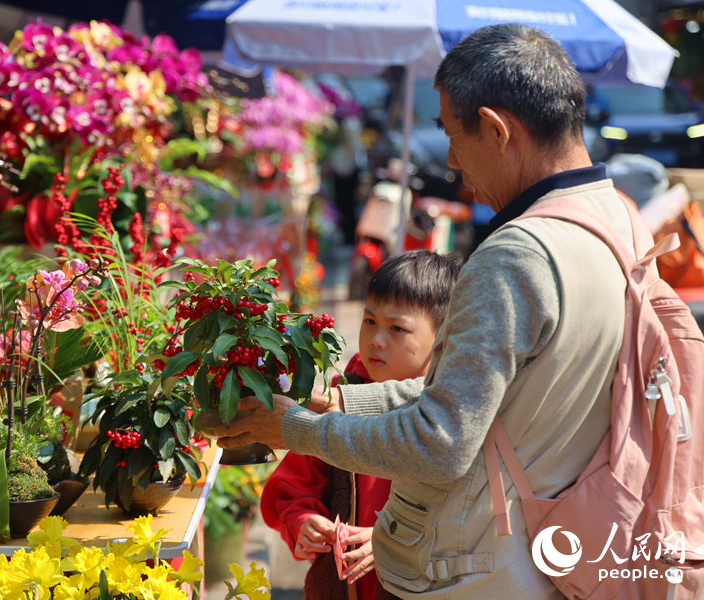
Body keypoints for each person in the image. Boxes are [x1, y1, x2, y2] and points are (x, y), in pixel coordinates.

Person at [217, 23, 637, 598]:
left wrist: (291, 427)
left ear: (494, 128)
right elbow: (481, 397)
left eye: (451, 133)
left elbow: (441, 441)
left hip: (483, 566)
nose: (450, 159)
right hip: (562, 551)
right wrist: (337, 398)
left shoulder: (519, 254)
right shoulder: (617, 222)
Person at [260, 251, 460, 600]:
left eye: (397, 328)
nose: (375, 339)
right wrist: (302, 521)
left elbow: (463, 518)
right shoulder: (343, 397)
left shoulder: (449, 414)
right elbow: (293, 487)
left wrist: (388, 541)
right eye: (370, 321)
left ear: (441, 338)